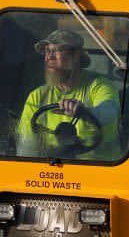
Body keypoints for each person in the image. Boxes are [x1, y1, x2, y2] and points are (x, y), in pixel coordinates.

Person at [16, 29, 120, 159]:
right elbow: (26, 146)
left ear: (76, 55)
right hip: (54, 171)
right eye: (47, 51)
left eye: (58, 50)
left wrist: (84, 112)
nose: (50, 57)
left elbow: (109, 112)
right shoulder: (37, 96)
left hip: (102, 170)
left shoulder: (99, 86)